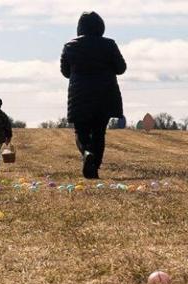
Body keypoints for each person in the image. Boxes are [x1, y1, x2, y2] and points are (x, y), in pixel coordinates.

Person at [61, 12, 126, 179]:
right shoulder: (109, 45)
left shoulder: (70, 46)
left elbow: (65, 72)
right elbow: (121, 68)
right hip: (105, 94)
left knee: (81, 132)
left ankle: (87, 153)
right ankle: (94, 166)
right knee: (99, 132)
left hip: (79, 96)